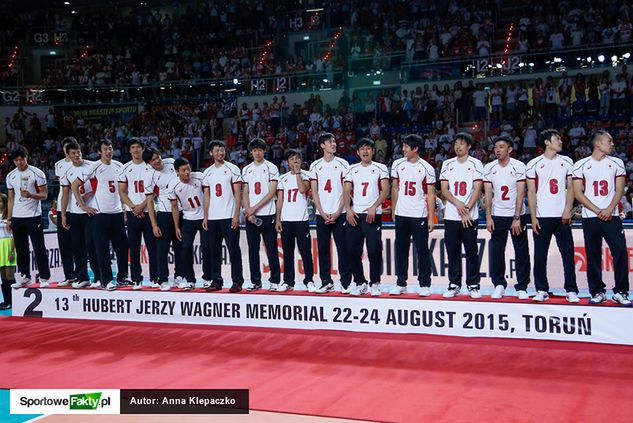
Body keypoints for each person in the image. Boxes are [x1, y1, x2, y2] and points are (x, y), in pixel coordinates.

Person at [572, 130, 630, 306]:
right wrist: (598, 211)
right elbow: (577, 193)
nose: (612, 144)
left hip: (611, 215)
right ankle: (597, 291)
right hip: (591, 217)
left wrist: (610, 208)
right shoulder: (580, 164)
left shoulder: (617, 163)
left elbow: (619, 189)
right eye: (609, 141)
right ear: (598, 143)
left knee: (620, 252)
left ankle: (621, 291)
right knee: (593, 254)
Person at [526, 129, 579, 302]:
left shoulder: (567, 161)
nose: (561, 141)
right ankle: (541, 289)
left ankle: (571, 289)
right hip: (542, 216)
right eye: (557, 138)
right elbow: (531, 192)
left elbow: (571, 188)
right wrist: (533, 217)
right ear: (547, 142)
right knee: (540, 254)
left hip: (562, 214)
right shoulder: (533, 163)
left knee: (568, 254)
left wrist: (568, 209)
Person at [72, 139, 129, 291]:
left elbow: (123, 190)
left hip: (117, 212)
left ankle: (123, 277)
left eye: (110, 148)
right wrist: (84, 206)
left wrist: (124, 208)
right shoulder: (94, 166)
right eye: (105, 149)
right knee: (102, 250)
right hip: (99, 213)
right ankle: (107, 280)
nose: (109, 151)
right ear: (99, 151)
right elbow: (75, 185)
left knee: (122, 247)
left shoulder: (119, 166)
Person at [483, 136, 531, 299]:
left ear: (510, 149)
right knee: (497, 252)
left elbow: (520, 193)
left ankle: (522, 286)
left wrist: (516, 217)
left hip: (517, 215)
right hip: (498, 215)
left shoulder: (519, 166)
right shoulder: (489, 167)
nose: (497, 150)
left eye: (501, 147)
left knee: (521, 251)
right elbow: (488, 194)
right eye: (496, 147)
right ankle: (498, 284)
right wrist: (489, 217)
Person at [389, 134, 436, 296]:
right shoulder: (397, 164)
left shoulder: (427, 168)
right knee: (400, 249)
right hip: (402, 213)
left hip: (419, 214)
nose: (403, 149)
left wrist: (431, 217)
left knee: (422, 250)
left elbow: (431, 194)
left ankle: (425, 284)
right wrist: (395, 209)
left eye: (406, 147)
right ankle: (401, 282)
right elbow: (394, 187)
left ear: (415, 149)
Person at [439, 133, 484, 299]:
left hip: (470, 217)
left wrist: (467, 209)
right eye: (456, 144)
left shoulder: (476, 164)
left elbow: (477, 190)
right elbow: (444, 189)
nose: (458, 146)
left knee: (472, 251)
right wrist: (458, 204)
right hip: (451, 215)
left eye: (462, 144)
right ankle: (454, 284)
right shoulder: (447, 164)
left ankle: (473, 285)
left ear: (469, 146)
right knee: (453, 252)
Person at [343, 138, 389, 296]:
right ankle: (360, 282)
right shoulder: (351, 169)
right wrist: (348, 210)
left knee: (374, 251)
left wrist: (374, 207)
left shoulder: (381, 168)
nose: (365, 151)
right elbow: (346, 190)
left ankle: (375, 283)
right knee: (351, 251)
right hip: (355, 215)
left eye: (368, 148)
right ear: (357, 152)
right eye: (362, 148)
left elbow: (385, 190)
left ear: (373, 151)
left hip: (373, 215)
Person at [309, 132, 352, 294]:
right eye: (329, 142)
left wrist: (337, 211)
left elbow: (346, 191)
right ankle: (326, 281)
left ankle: (346, 282)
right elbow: (314, 192)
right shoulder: (315, 165)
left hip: (339, 213)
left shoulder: (343, 164)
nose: (333, 144)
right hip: (322, 214)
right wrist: (321, 212)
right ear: (322, 145)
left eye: (334, 141)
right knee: (323, 249)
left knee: (343, 248)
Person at [201, 141, 244, 293]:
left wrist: (236, 215)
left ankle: (237, 281)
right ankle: (216, 280)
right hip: (213, 217)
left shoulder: (232, 169)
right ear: (211, 153)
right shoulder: (207, 172)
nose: (221, 153)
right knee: (214, 251)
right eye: (217, 150)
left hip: (229, 215)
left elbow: (238, 193)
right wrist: (205, 217)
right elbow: (206, 196)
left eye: (222, 150)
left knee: (234, 250)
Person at [7, 146, 51, 289]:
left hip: (33, 215)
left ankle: (44, 276)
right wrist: (9, 218)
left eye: (22, 159)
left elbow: (45, 195)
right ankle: (25, 276)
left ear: (27, 157)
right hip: (17, 216)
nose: (20, 162)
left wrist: (31, 195)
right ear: (13, 161)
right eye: (16, 160)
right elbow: (11, 198)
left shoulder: (37, 173)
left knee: (38, 246)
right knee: (21, 248)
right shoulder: (10, 176)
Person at [60, 140, 101, 289]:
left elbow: (100, 185)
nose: (77, 155)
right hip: (75, 213)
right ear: (69, 156)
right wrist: (64, 215)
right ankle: (83, 277)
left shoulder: (92, 166)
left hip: (92, 211)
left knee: (92, 245)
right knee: (77, 247)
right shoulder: (67, 172)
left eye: (78, 152)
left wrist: (88, 195)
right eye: (73, 153)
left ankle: (98, 276)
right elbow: (65, 194)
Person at [241, 138, 281, 291]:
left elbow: (271, 193)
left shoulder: (271, 167)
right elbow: (245, 191)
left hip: (268, 214)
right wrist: (248, 210)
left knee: (271, 249)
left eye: (260, 149)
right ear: (251, 152)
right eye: (254, 150)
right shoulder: (246, 169)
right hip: (251, 216)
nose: (257, 152)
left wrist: (253, 208)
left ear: (264, 150)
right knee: (252, 250)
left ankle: (275, 280)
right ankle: (255, 281)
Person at [143, 147, 185, 291]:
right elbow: (149, 201)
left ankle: (180, 276)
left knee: (180, 246)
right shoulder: (149, 175)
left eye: (157, 157)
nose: (157, 161)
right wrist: (154, 225)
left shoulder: (172, 162)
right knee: (162, 248)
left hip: (180, 211)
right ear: (149, 164)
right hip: (164, 213)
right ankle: (163, 279)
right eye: (153, 160)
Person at [118, 139, 157, 289]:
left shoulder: (150, 167)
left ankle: (155, 278)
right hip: (133, 212)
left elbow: (153, 191)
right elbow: (122, 192)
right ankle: (136, 279)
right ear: (129, 150)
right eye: (133, 147)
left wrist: (141, 207)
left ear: (142, 149)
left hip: (149, 213)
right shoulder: (125, 168)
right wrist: (134, 207)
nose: (135, 150)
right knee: (133, 248)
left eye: (138, 147)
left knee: (152, 247)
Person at [275, 149, 314, 292]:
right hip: (286, 220)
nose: (295, 161)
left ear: (301, 161)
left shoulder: (307, 175)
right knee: (287, 252)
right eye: (292, 159)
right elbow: (280, 200)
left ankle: (309, 280)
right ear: (287, 162)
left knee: (305, 251)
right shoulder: (282, 178)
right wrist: (278, 219)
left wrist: (298, 172)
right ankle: (288, 281)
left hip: (301, 219)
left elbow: (303, 189)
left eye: (297, 159)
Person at [169, 157, 207, 290]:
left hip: (203, 217)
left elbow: (208, 195)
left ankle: (207, 278)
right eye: (183, 170)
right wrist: (176, 227)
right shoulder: (173, 185)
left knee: (207, 247)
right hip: (188, 219)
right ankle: (190, 279)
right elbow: (174, 207)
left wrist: (207, 217)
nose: (187, 172)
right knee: (185, 248)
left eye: (188, 169)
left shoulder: (200, 177)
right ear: (177, 172)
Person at [54, 138, 77, 286]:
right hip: (62, 208)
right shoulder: (58, 165)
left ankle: (84, 275)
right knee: (64, 244)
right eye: (66, 147)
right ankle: (69, 275)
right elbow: (63, 188)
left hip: (77, 208)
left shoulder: (83, 164)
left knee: (80, 244)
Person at [0, 193, 16, 309]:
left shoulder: (10, 216)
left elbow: (14, 235)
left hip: (8, 244)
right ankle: (6, 301)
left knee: (9, 274)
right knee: (2, 275)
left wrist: (11, 250)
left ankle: (13, 300)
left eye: (0, 201)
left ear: (5, 202)